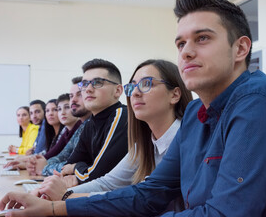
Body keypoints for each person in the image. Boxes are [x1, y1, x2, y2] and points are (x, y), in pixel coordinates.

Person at [0, 0, 266, 217]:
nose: (186, 51)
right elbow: (151, 192)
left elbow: (225, 214)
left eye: (202, 39)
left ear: (241, 49)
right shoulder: (195, 114)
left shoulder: (257, 104)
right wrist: (56, 209)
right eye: (180, 43)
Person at [33, 59, 192, 204]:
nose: (135, 93)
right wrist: (47, 194)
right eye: (133, 86)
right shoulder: (144, 142)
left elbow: (142, 197)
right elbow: (107, 183)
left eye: (146, 84)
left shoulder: (185, 138)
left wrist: (64, 195)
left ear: (175, 94)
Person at [53, 58, 128, 187]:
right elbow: (65, 169)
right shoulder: (89, 124)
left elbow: (98, 175)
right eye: (84, 84)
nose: (87, 89)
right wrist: (77, 169)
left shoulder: (121, 116)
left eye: (97, 83)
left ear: (118, 91)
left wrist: (76, 167)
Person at [27, 77, 91, 176]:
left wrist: (43, 167)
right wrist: (38, 163)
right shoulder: (78, 128)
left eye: (80, 94)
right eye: (71, 96)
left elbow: (71, 165)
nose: (73, 100)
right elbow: (61, 156)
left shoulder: (86, 126)